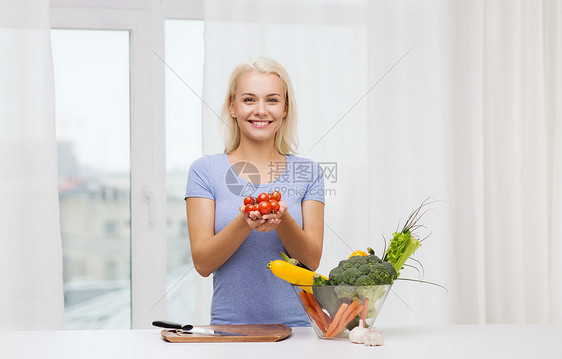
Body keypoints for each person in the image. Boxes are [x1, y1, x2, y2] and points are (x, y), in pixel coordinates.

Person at [184, 57, 325, 326]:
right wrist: (244, 222)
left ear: (285, 108)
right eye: (249, 100)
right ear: (232, 107)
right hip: (230, 330)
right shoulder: (205, 170)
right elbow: (202, 264)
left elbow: (312, 260)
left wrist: (282, 221)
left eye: (272, 100)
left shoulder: (308, 172)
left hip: (299, 329)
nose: (261, 110)